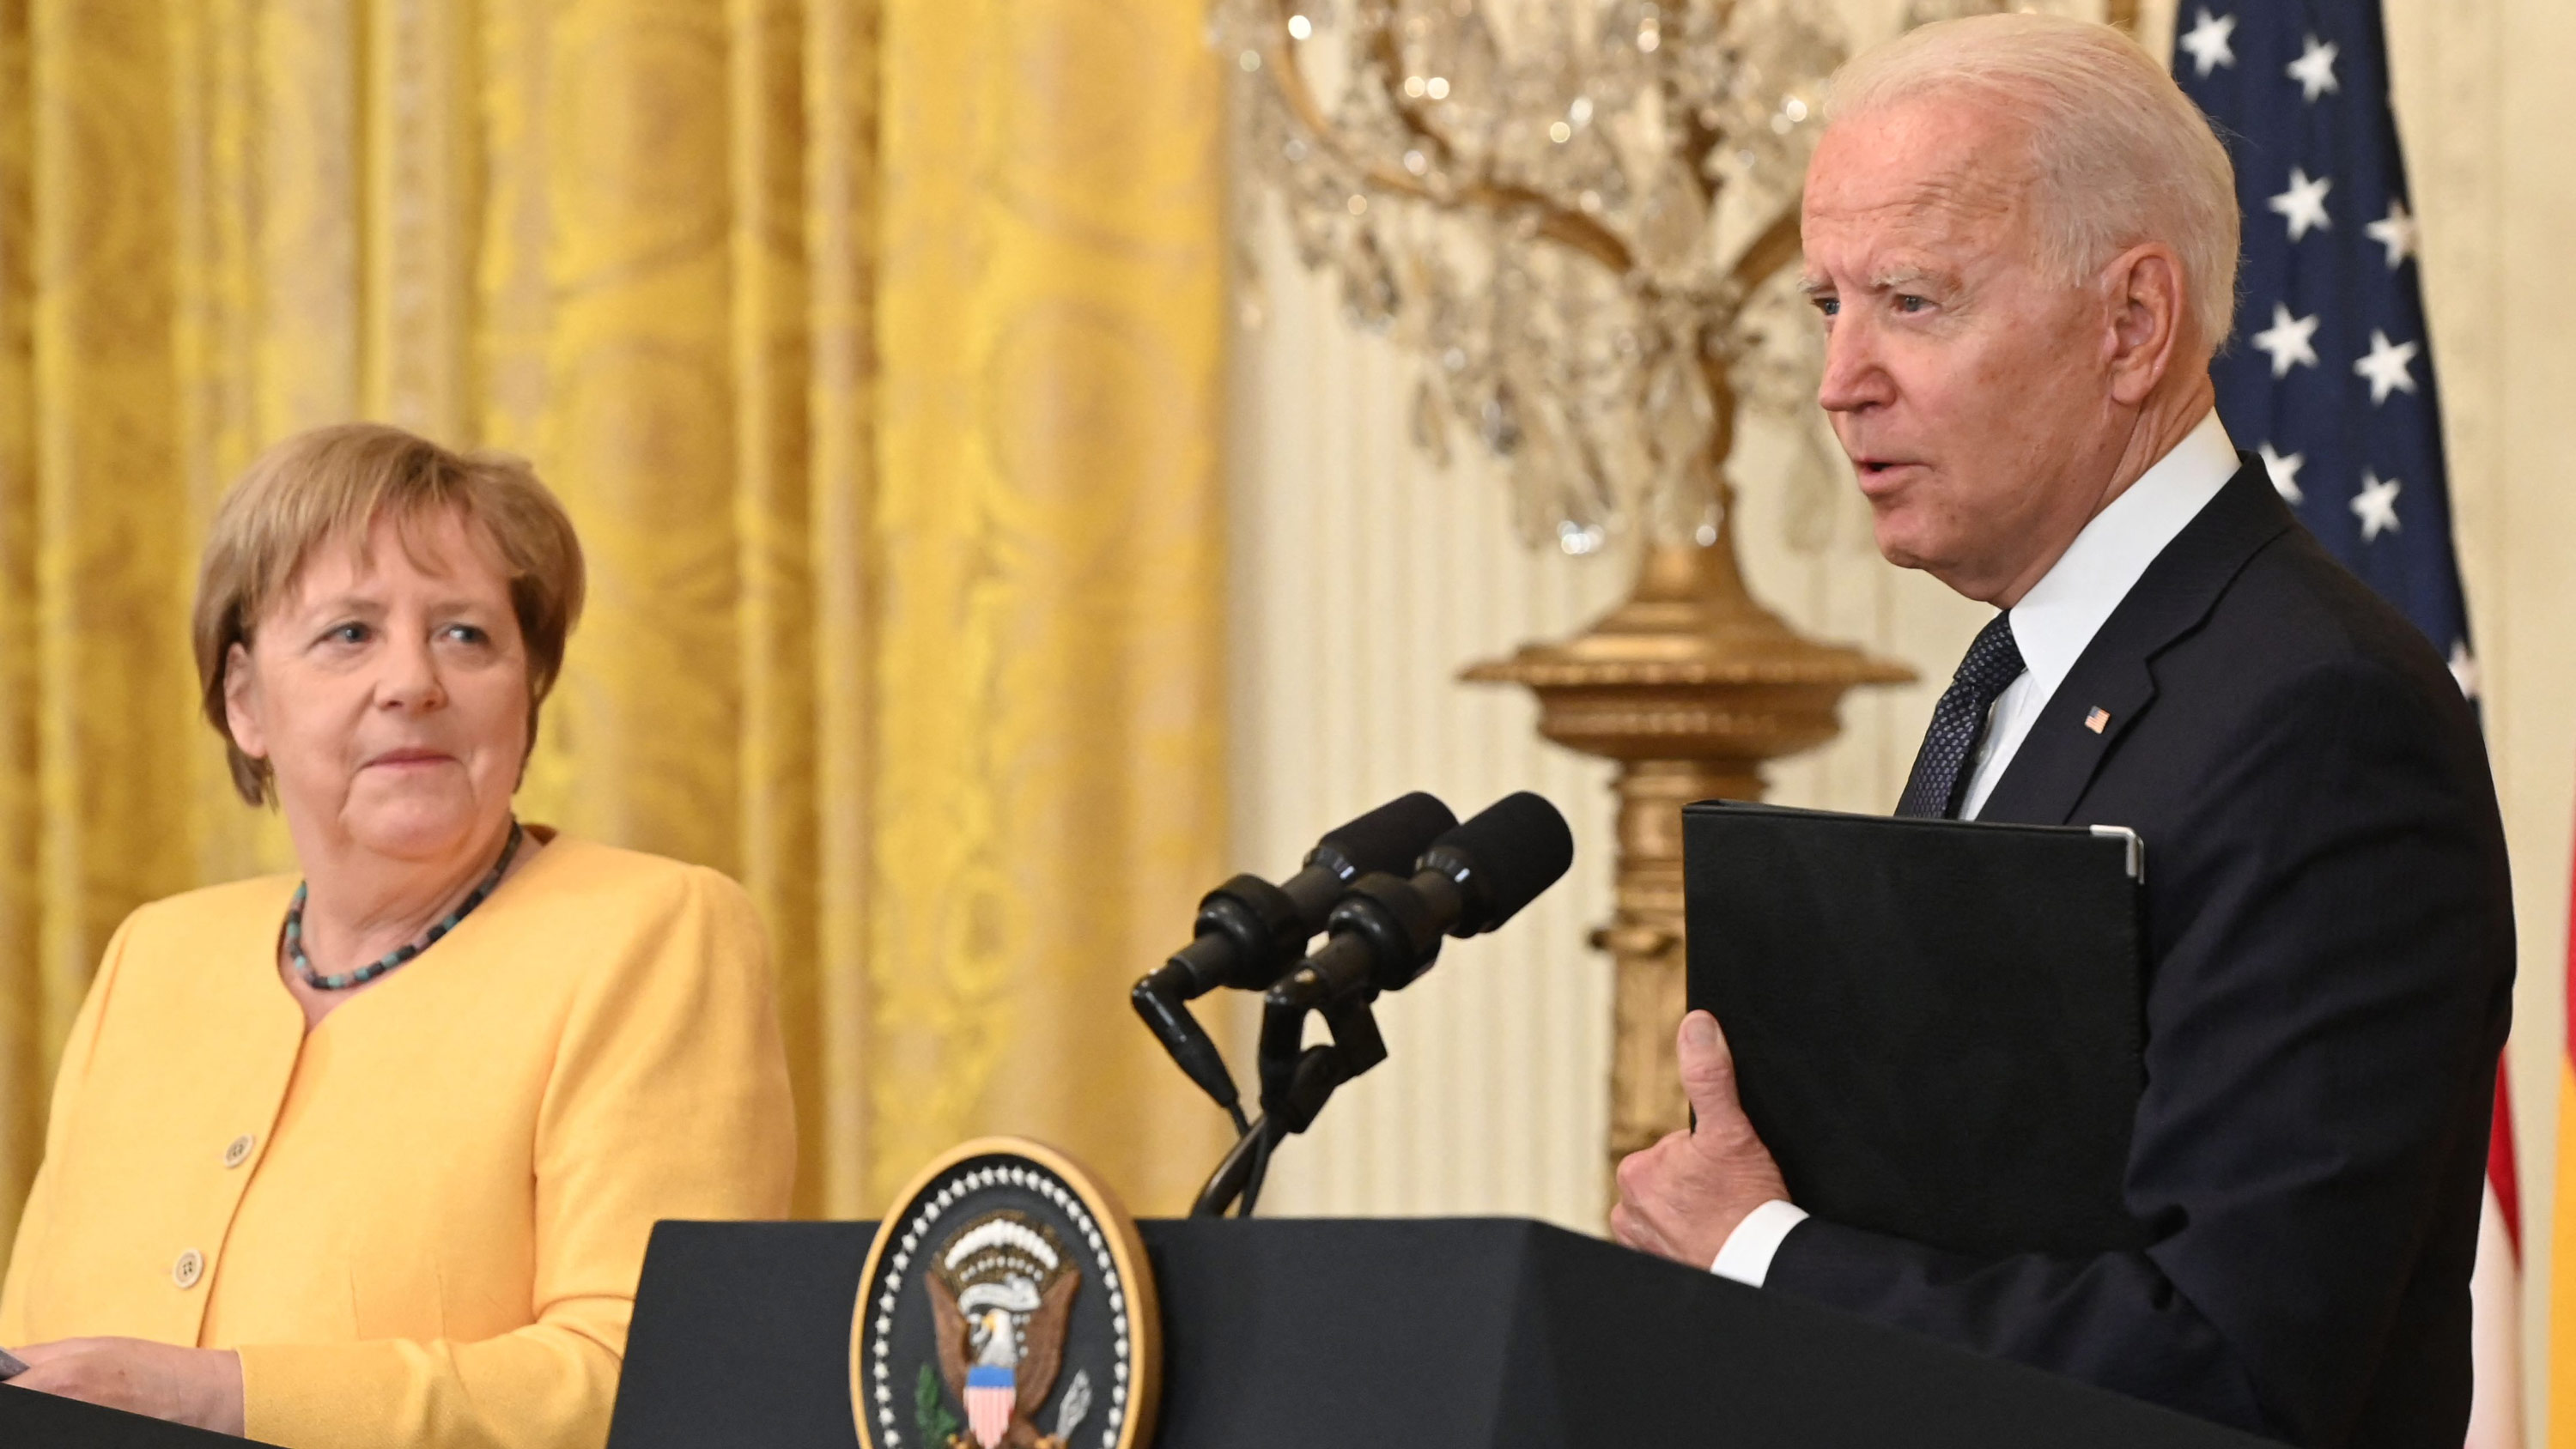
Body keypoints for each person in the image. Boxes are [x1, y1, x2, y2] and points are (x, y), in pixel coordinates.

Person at [1609, 15, 2512, 1448]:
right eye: (1825, 304)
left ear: (2133, 325)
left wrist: (1760, 1251)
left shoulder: (2322, 718)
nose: (1841, 379)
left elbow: (2235, 1368)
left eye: (1911, 299)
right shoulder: (2019, 675)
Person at [0, 423, 796, 1447]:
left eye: (466, 634)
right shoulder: (155, 956)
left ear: (528, 694)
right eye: (350, 633)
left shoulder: (656, 934)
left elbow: (655, 1379)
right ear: (246, 702)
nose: (414, 680)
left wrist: (222, 1395)